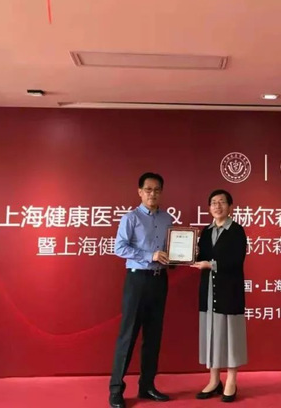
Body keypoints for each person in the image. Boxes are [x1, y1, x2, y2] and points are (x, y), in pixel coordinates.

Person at [109, 172, 173, 408]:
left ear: (161, 192)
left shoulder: (167, 219)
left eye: (157, 190)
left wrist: (178, 257)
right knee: (128, 336)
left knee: (153, 337)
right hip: (137, 281)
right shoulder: (131, 218)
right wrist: (150, 255)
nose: (152, 194)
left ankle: (147, 385)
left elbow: (168, 250)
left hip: (159, 281)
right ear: (140, 192)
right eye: (148, 189)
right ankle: (116, 389)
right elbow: (119, 248)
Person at [191, 189, 248, 403]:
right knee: (211, 334)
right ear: (209, 208)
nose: (217, 206)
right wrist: (190, 253)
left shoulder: (237, 231)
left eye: (222, 202)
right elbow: (200, 256)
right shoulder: (205, 232)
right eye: (213, 202)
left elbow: (236, 260)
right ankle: (214, 380)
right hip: (208, 291)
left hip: (229, 291)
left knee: (231, 337)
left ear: (230, 206)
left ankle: (231, 381)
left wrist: (211, 265)